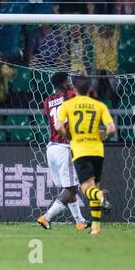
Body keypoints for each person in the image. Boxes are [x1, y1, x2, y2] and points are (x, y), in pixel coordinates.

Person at [55, 76, 116, 235]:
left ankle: (100, 195)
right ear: (89, 89)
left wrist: (67, 135)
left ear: (74, 89)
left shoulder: (67, 105)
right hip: (97, 151)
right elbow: (111, 128)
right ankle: (96, 227)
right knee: (94, 185)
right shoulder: (99, 105)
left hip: (81, 151)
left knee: (85, 189)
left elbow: (58, 125)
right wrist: (104, 135)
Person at [37, 72, 90, 231]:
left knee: (69, 186)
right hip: (65, 147)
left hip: (51, 147)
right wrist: (83, 78)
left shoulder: (47, 101)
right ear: (64, 84)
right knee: (72, 188)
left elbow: (50, 115)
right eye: (69, 80)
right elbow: (83, 91)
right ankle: (46, 218)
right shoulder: (71, 95)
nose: (71, 83)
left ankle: (79, 221)